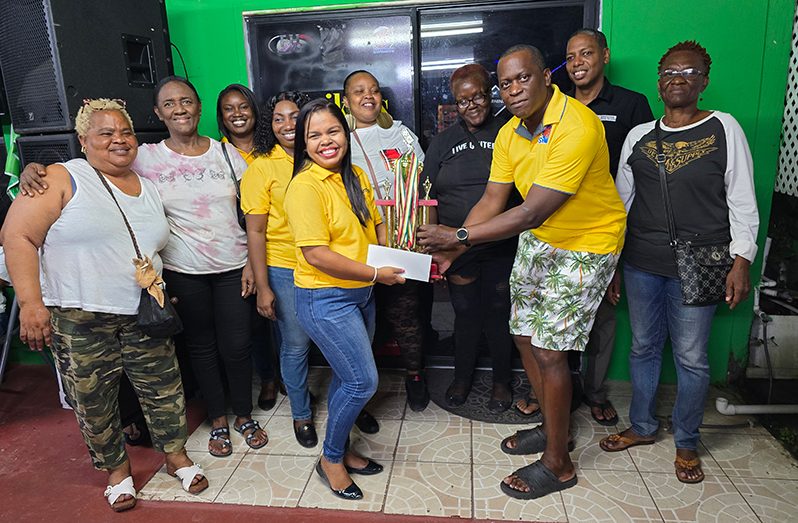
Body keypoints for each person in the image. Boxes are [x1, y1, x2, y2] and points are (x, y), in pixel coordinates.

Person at [18, 76, 268, 458]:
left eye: (186, 101)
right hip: (184, 271)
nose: (179, 109)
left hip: (233, 266)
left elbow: (250, 215)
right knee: (201, 348)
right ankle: (217, 419)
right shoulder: (146, 155)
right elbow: (92, 166)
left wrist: (253, 263)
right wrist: (34, 168)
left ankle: (243, 415)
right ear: (157, 113)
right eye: (169, 104)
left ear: (199, 107)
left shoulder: (226, 154)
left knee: (237, 347)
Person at [418, 44, 626, 500]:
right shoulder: (512, 133)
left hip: (587, 244)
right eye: (506, 83)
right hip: (543, 239)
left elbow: (531, 210)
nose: (513, 90)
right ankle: (555, 430)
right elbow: (493, 199)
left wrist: (459, 238)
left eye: (523, 79)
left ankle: (558, 464)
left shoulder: (577, 125)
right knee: (524, 335)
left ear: (546, 78)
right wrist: (455, 251)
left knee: (551, 351)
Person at [1, 99, 207, 512]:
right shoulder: (60, 178)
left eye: (125, 132)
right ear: (83, 140)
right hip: (79, 317)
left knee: (164, 390)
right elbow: (16, 235)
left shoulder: (146, 186)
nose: (118, 139)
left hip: (143, 312)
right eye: (105, 132)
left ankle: (176, 457)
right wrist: (31, 304)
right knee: (94, 401)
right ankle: (117, 473)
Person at [600, 41, 758, 484]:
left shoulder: (724, 128)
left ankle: (687, 442)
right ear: (659, 80)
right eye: (670, 71)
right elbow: (620, 204)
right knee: (643, 348)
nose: (678, 78)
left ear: (704, 81)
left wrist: (742, 259)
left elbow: (742, 200)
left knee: (691, 358)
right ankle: (644, 426)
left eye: (689, 72)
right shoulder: (639, 136)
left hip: (701, 261)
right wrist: (612, 262)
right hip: (641, 262)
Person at [284, 99, 405, 500]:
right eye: (313, 136)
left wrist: (391, 256)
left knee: (346, 377)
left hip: (361, 295)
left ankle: (344, 450)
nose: (325, 141)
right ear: (304, 143)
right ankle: (331, 459)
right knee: (362, 380)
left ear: (346, 132)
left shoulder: (353, 174)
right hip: (324, 298)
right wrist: (375, 273)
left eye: (332, 131)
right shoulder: (304, 186)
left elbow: (375, 222)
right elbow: (315, 254)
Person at [564, 28, 654, 426]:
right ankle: (559, 392)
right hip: (559, 227)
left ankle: (594, 392)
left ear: (604, 55)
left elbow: (647, 173)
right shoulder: (558, 107)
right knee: (557, 317)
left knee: (600, 317)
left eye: (585, 54)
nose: (577, 63)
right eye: (570, 57)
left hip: (604, 230)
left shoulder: (632, 106)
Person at [423, 64, 517, 412]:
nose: (472, 105)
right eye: (463, 101)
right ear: (454, 104)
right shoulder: (443, 142)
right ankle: (462, 377)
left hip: (500, 243)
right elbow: (427, 194)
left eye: (478, 96)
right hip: (455, 246)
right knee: (465, 314)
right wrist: (433, 245)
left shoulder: (511, 131)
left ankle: (502, 381)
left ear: (490, 92)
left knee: (498, 312)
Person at [342, 69, 430, 414]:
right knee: (363, 318)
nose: (368, 96)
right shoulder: (340, 138)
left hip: (400, 239)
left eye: (374, 90)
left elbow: (423, 187)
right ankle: (360, 389)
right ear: (346, 100)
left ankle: (414, 374)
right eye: (359, 91)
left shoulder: (401, 135)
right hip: (358, 242)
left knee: (406, 311)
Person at [241, 91, 319, 447]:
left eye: (295, 116)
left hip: (326, 267)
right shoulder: (261, 167)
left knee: (336, 343)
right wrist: (264, 285)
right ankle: (301, 412)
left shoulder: (322, 158)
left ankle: (351, 403)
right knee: (296, 343)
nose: (288, 125)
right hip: (285, 268)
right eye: (279, 118)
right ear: (269, 126)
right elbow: (255, 231)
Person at [217, 83, 280, 411]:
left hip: (282, 244)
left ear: (255, 111)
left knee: (284, 318)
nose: (237, 114)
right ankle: (267, 377)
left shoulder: (273, 149)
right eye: (229, 109)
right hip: (242, 248)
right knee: (256, 321)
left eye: (243, 106)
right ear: (221, 116)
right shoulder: (218, 153)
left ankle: (287, 374)